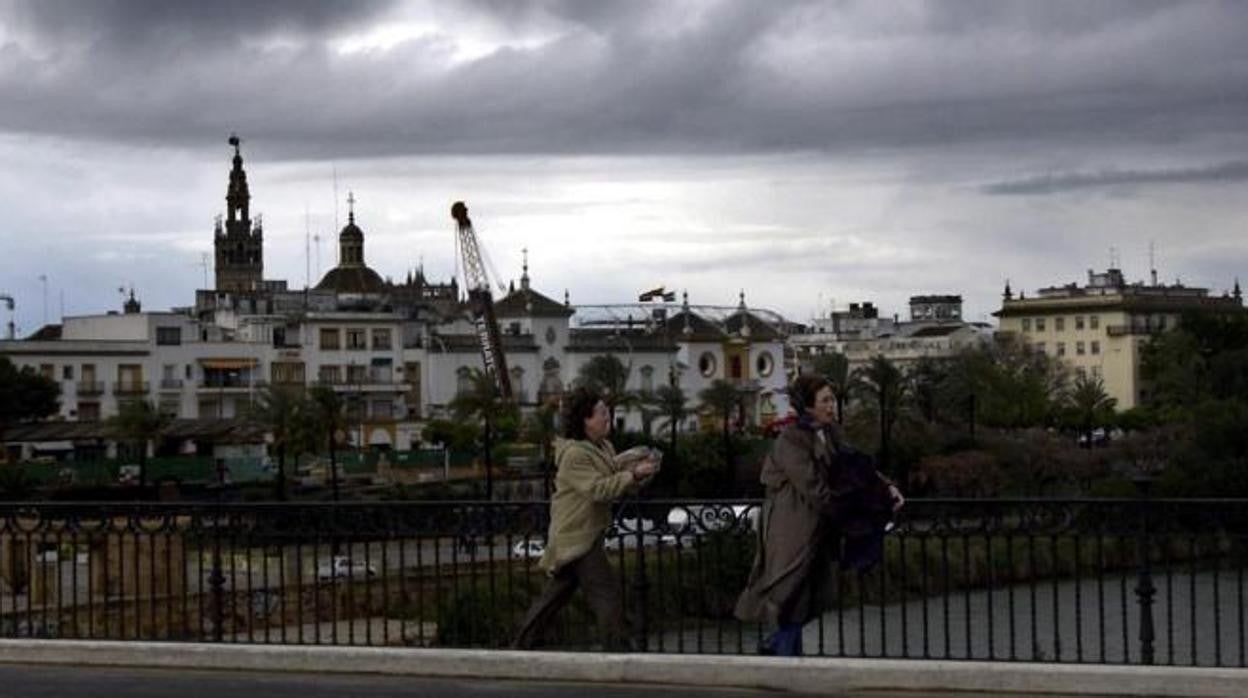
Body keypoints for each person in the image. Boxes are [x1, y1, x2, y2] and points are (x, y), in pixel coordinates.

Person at [734, 375, 904, 656]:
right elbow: (812, 485)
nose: (831, 405)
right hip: (792, 531)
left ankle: (779, 651)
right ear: (808, 406)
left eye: (832, 399)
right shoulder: (792, 439)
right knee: (788, 594)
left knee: (808, 596)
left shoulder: (830, 433)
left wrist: (886, 488)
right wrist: (848, 513)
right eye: (825, 400)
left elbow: (855, 466)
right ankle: (783, 658)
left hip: (817, 529)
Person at [512, 387, 658, 650]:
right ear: (585, 420)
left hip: (585, 533)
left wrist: (636, 473)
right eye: (601, 413)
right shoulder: (575, 455)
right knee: (607, 595)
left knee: (554, 597)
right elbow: (597, 489)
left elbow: (614, 479)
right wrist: (633, 475)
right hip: (577, 536)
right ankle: (620, 652)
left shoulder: (603, 446)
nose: (607, 417)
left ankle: (521, 646)